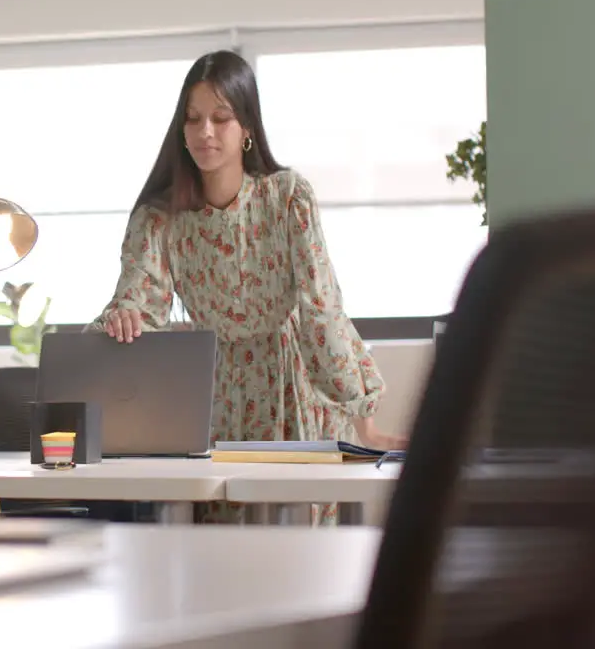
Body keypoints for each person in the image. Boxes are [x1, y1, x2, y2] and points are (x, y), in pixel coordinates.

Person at [90, 50, 407, 525]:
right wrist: (119, 319)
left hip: (292, 391)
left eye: (221, 118)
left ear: (247, 129)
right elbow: (140, 299)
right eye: (193, 119)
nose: (205, 132)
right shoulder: (160, 217)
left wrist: (361, 414)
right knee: (222, 562)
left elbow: (321, 307)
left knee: (297, 558)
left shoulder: (286, 197)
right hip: (212, 397)